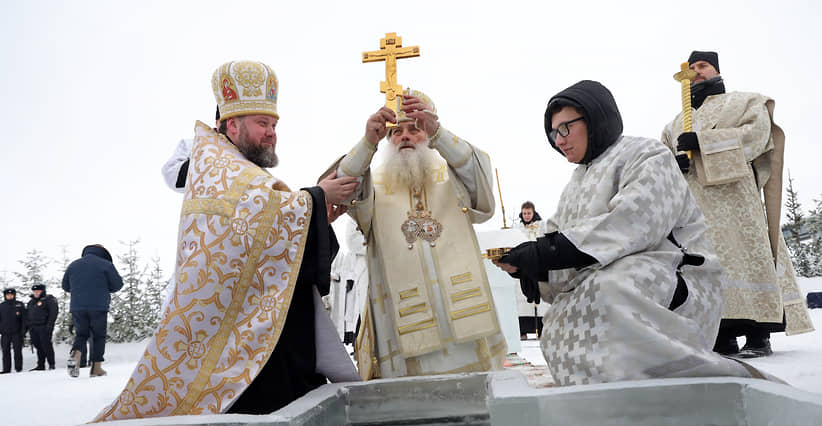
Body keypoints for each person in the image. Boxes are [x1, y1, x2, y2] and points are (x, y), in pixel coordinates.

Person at [94, 60, 360, 421]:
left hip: (262, 329)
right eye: (263, 124)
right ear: (232, 125)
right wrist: (314, 197)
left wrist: (317, 216)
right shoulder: (217, 164)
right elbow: (253, 216)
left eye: (274, 125)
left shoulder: (241, 168)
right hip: (229, 327)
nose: (271, 133)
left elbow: (265, 227)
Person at [496, 79, 779, 386]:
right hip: (616, 276)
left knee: (611, 289)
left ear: (594, 117)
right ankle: (603, 399)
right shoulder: (575, 185)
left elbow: (634, 221)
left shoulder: (646, 154)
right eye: (553, 133)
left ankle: (699, 385)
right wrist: (532, 269)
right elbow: (560, 244)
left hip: (675, 277)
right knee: (564, 313)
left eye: (565, 128)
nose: (559, 140)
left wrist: (547, 252)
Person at [324, 89, 506, 379]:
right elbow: (336, 186)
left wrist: (439, 133)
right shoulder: (373, 188)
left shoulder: (453, 176)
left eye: (415, 129)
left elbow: (479, 174)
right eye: (396, 132)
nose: (405, 136)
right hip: (401, 329)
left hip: (463, 327)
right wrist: (367, 142)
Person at [662, 51, 813, 358]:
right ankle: (722, 337)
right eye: (691, 68)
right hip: (696, 208)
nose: (696, 72)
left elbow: (757, 136)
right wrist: (674, 163)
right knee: (708, 268)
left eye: (702, 66)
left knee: (747, 259)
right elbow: (663, 156)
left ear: (716, 70)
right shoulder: (675, 122)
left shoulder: (745, 102)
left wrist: (704, 144)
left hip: (736, 201)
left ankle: (759, 337)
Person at [62, 245, 122, 377]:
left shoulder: (73, 265)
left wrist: (79, 290)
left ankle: (75, 354)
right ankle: (96, 368)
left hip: (77, 307)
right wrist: (104, 288)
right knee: (98, 336)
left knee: (81, 334)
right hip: (98, 306)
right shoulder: (106, 265)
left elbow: (65, 286)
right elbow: (118, 284)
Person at [514, 201, 548, 339]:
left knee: (540, 299)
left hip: (536, 264)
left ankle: (540, 330)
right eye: (524, 213)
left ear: (533, 213)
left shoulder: (540, 225)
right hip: (522, 266)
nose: (527, 215)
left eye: (529, 213)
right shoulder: (517, 228)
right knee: (521, 299)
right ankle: (523, 331)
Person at [26, 283, 58, 371]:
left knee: (46, 346)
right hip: (33, 328)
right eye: (35, 291)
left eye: (38, 291)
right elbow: (28, 315)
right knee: (38, 346)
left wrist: (50, 325)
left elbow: (53, 313)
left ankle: (51, 364)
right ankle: (41, 365)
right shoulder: (31, 302)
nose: (36, 293)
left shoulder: (49, 299)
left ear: (43, 291)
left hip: (44, 326)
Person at [0, 288, 26, 373]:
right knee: (5, 352)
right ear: (5, 296)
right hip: (5, 333)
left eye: (11, 294)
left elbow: (24, 319)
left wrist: (23, 331)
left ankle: (18, 368)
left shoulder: (19, 305)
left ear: (14, 295)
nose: (9, 296)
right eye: (8, 295)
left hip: (17, 333)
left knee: (17, 351)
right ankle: (6, 369)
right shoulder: (1, 306)